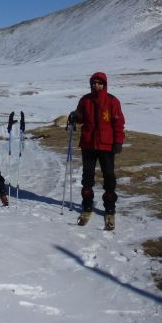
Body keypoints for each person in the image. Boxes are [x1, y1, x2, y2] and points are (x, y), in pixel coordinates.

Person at [68, 72, 125, 230]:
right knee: (87, 177)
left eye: (99, 83)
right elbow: (80, 118)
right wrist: (75, 116)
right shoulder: (85, 100)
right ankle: (86, 204)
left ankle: (109, 206)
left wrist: (118, 141)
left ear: (104, 84)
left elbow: (118, 123)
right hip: (88, 144)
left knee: (109, 177)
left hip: (107, 145)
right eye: (93, 83)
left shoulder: (112, 101)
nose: (96, 85)